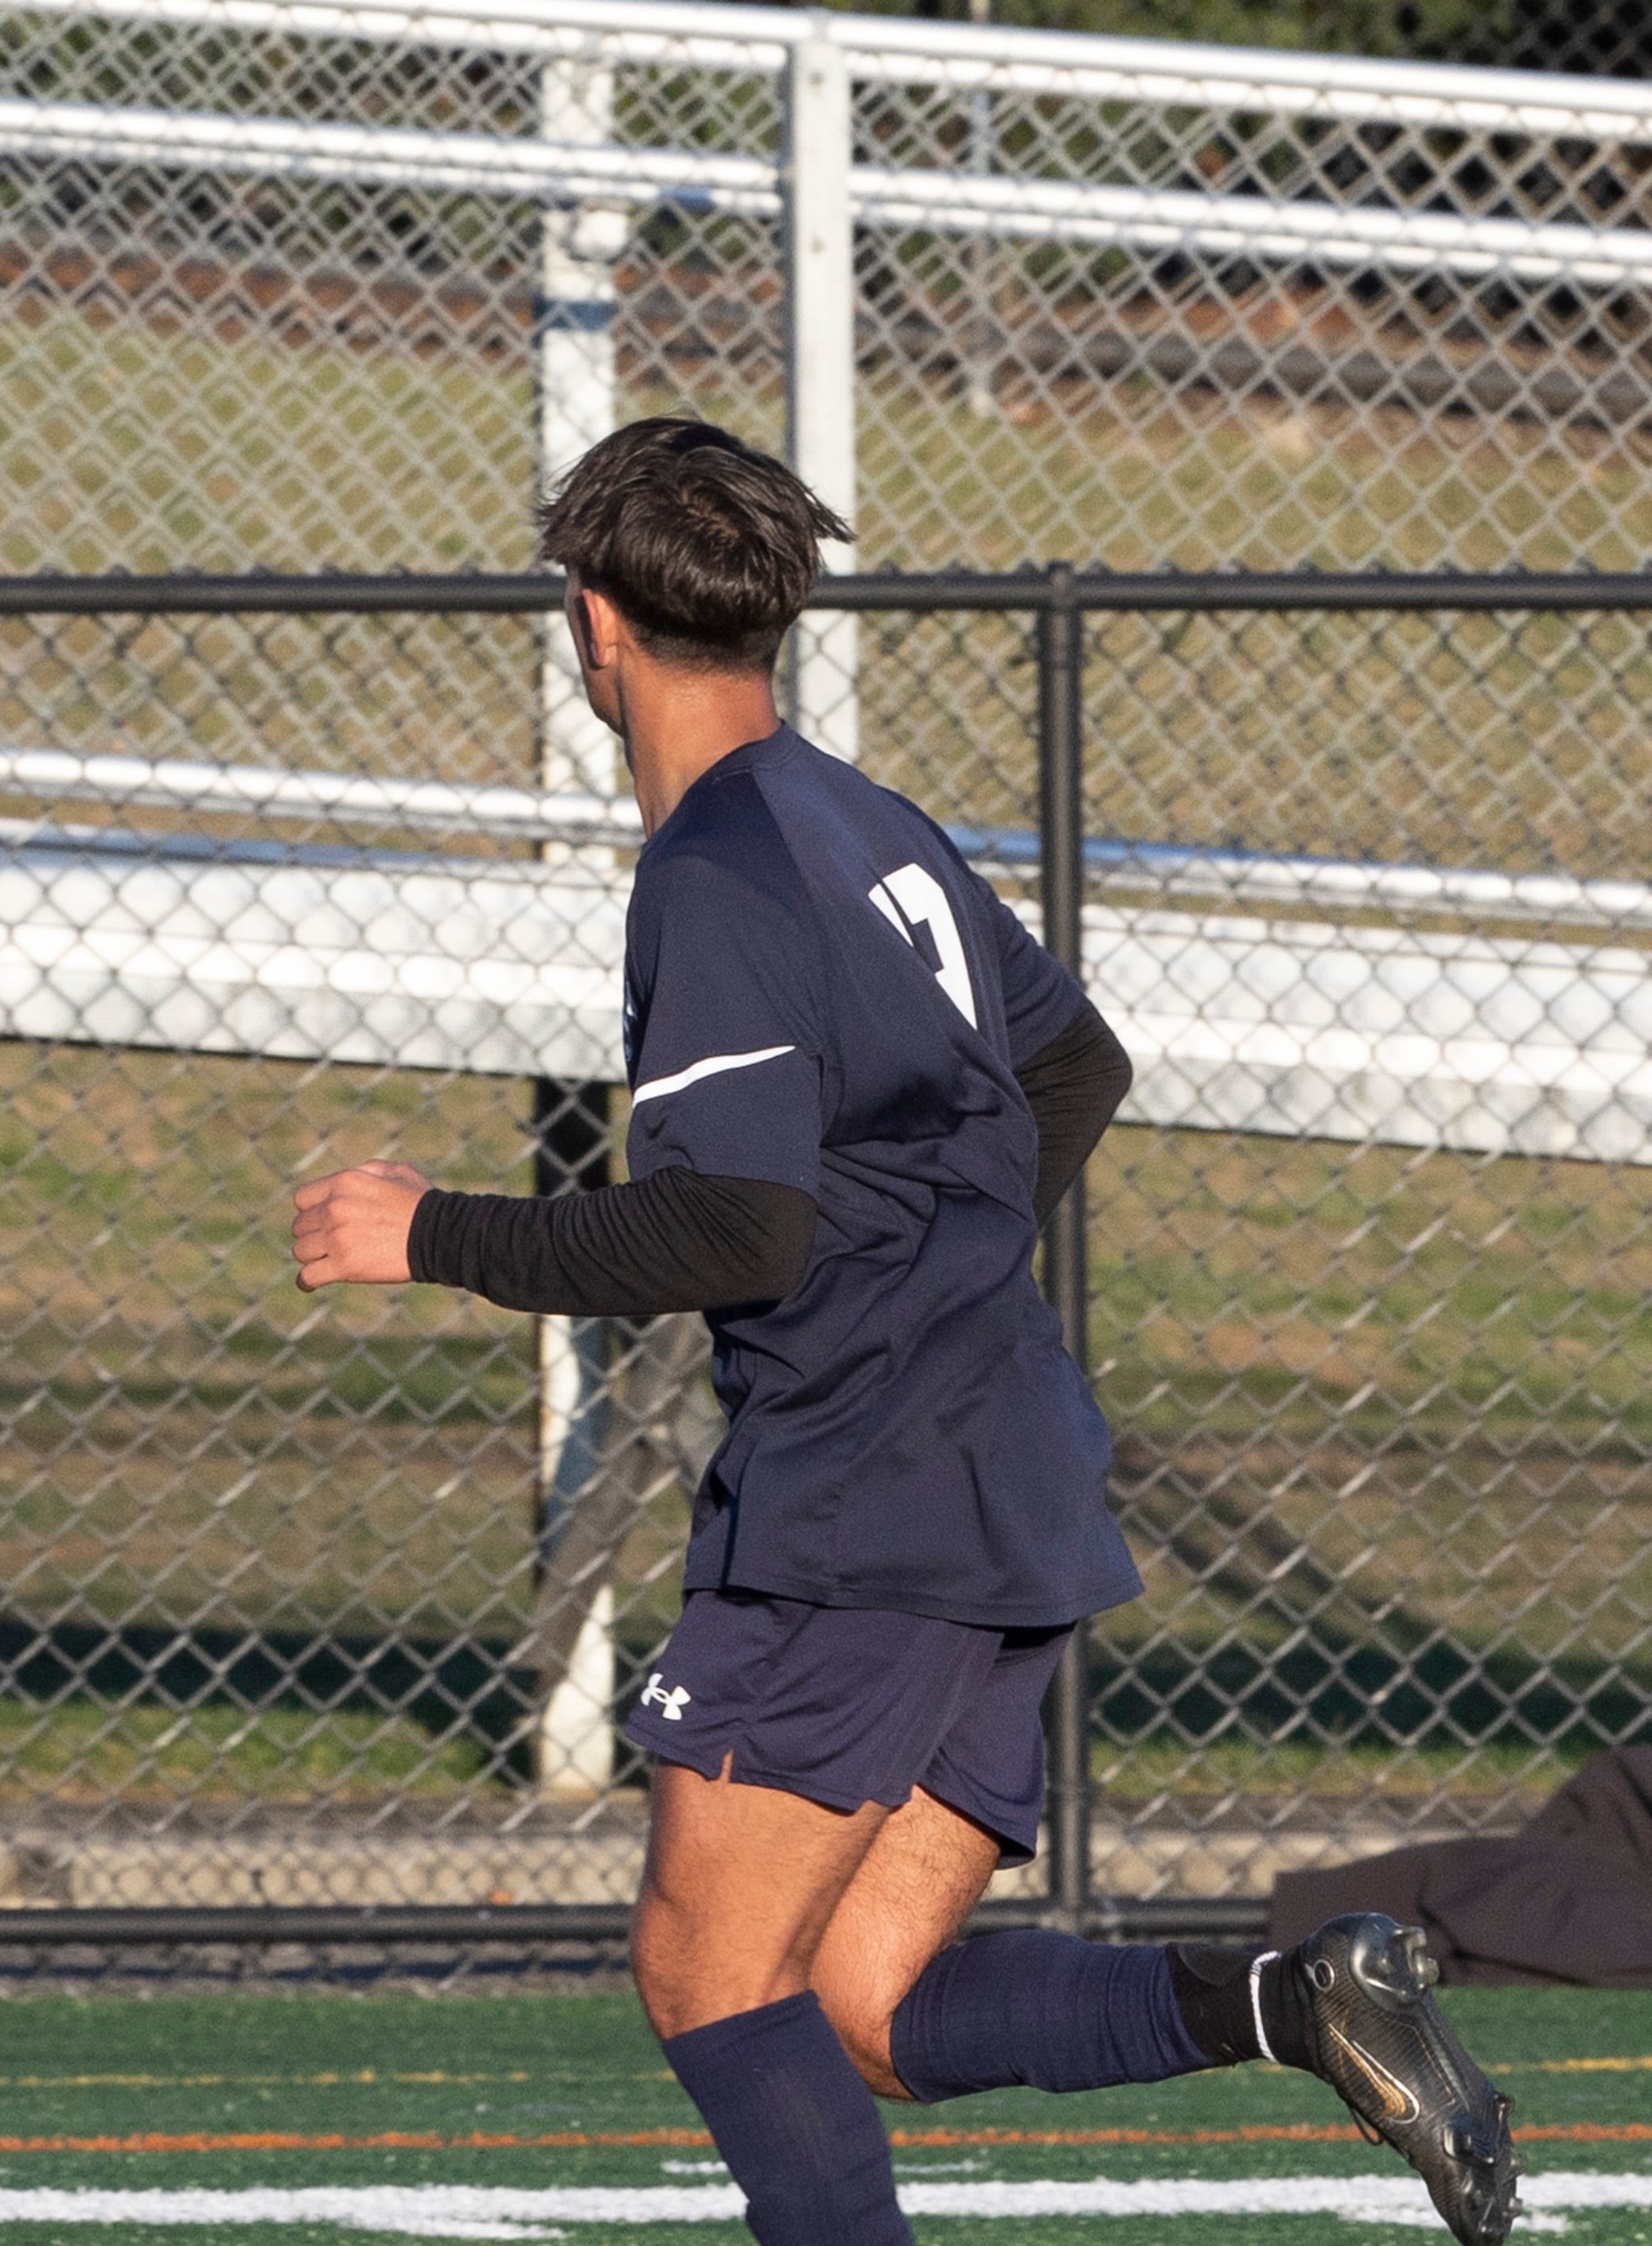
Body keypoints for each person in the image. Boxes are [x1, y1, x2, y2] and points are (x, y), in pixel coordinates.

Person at [285, 416, 1519, 2246]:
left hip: (862, 1497)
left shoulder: (715, 868)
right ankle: (1303, 1998)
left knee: (712, 1977)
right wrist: (940, 1273)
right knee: (862, 2002)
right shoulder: (866, 821)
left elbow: (737, 1220)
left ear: (589, 620)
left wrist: (433, 1231)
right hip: (1001, 1469)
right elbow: (1073, 1060)